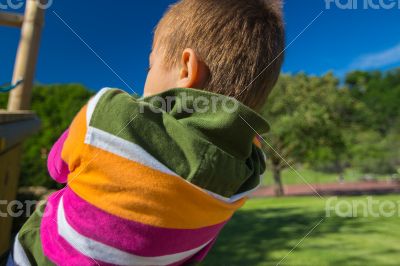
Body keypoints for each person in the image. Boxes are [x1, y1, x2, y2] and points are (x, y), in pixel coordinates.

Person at [9, 0, 285, 265]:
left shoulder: (108, 113)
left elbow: (56, 167)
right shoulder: (246, 173)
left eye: (149, 66)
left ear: (187, 68)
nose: (145, 78)